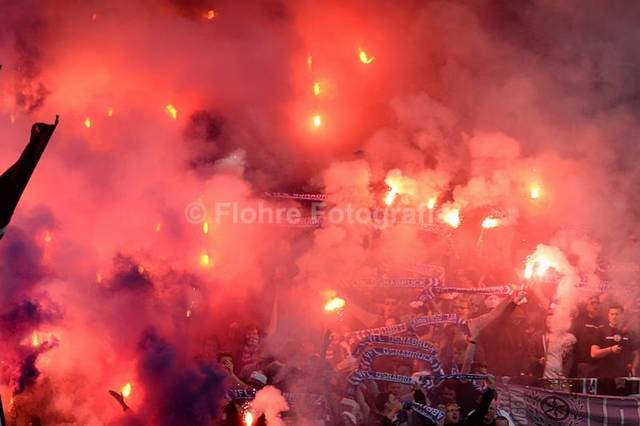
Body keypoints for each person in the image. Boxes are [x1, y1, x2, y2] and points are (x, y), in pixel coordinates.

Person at [590, 305, 640, 394]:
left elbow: (636, 353)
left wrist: (634, 367)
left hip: (623, 377)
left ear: (622, 315)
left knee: (622, 402)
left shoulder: (629, 332)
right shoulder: (601, 330)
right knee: (604, 402)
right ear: (608, 315)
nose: (614, 317)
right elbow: (594, 353)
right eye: (612, 314)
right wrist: (610, 350)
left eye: (617, 314)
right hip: (605, 377)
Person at [571, 295, 604, 377]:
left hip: (601, 365)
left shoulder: (604, 322)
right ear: (587, 307)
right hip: (584, 364)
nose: (595, 305)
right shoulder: (579, 321)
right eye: (592, 303)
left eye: (597, 303)